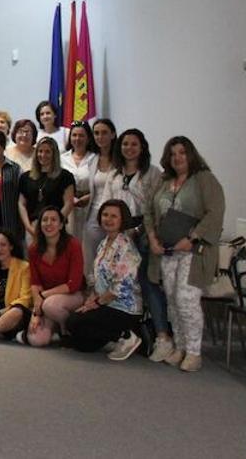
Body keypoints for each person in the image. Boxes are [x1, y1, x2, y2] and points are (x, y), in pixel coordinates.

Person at [143, 136, 225, 373]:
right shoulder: (164, 180)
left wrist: (192, 238)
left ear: (191, 154)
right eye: (172, 153)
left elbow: (215, 212)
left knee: (186, 299)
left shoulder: (204, 179)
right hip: (166, 251)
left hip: (193, 251)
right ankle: (179, 346)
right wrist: (152, 238)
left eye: (182, 152)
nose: (177, 157)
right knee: (171, 298)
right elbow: (149, 211)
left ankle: (194, 352)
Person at [103, 127, 169, 359]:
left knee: (146, 283)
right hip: (119, 235)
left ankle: (162, 336)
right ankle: (127, 334)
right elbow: (107, 207)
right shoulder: (114, 175)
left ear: (142, 148)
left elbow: (157, 209)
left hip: (143, 234)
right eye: (125, 144)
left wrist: (138, 230)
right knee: (119, 286)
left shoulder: (153, 174)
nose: (129, 148)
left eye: (134, 144)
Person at [65, 200, 145, 360]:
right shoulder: (103, 244)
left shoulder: (125, 246)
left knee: (74, 321)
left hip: (123, 307)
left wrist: (95, 304)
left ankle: (127, 334)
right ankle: (114, 337)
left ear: (122, 220)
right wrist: (89, 302)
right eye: (105, 215)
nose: (108, 219)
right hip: (104, 302)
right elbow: (97, 279)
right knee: (81, 344)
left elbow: (119, 288)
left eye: (114, 216)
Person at [23, 207, 85, 346]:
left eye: (53, 220)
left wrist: (43, 297)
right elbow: (35, 282)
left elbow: (73, 284)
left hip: (73, 296)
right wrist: (36, 312)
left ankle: (66, 331)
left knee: (51, 306)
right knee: (37, 340)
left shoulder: (73, 245)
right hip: (47, 301)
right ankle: (57, 324)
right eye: (44, 220)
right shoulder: (34, 249)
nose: (48, 223)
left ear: (61, 225)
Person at [17, 137, 75, 243]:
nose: (43, 155)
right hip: (33, 228)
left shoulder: (65, 176)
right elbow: (21, 204)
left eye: (48, 152)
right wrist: (29, 227)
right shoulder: (26, 177)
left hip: (57, 229)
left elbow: (69, 203)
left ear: (54, 154)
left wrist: (55, 224)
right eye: (40, 151)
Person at [82, 119, 119, 277]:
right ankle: (92, 289)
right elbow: (96, 189)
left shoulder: (120, 160)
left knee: (114, 255)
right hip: (94, 215)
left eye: (104, 132)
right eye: (96, 133)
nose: (100, 136)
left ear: (113, 134)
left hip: (116, 215)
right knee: (92, 256)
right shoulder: (92, 160)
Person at [61, 121, 99, 239]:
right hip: (67, 206)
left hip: (89, 205)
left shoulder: (95, 158)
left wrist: (87, 197)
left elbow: (99, 183)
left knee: (88, 244)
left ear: (88, 138)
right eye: (74, 135)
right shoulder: (62, 158)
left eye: (81, 135)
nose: (77, 138)